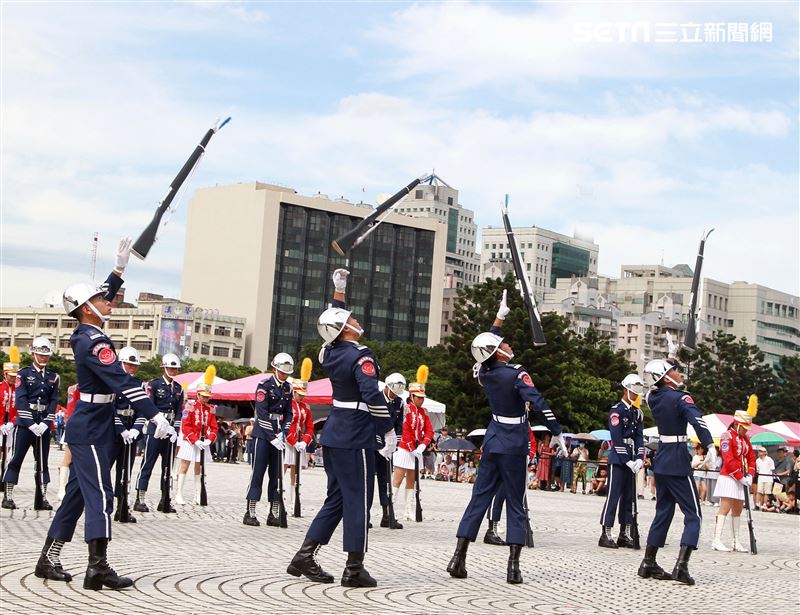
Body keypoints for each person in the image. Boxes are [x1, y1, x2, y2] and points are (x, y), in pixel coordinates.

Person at [36, 242, 175, 589]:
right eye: (101, 300)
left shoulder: (90, 330)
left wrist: (118, 271)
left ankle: (48, 558)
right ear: (87, 309)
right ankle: (97, 566)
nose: (109, 301)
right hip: (92, 423)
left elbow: (101, 298)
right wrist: (155, 415)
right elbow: (122, 381)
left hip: (96, 419)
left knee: (77, 495)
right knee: (101, 492)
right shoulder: (91, 342)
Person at [447, 290, 566, 585]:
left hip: (494, 438)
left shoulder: (485, 373)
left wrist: (499, 319)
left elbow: (484, 348)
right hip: (513, 441)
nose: (508, 345)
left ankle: (458, 558)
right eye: (504, 343)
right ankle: (513, 567)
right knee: (515, 501)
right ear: (499, 352)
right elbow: (538, 401)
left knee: (479, 499)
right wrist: (557, 430)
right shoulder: (516, 374)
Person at [287, 268, 396, 588]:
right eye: (352, 319)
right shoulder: (361, 354)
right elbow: (372, 394)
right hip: (356, 435)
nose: (357, 321)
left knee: (337, 498)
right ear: (346, 329)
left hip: (335, 432)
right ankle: (354, 568)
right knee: (360, 499)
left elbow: (329, 325)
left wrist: (338, 292)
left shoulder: (329, 352)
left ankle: (305, 556)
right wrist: (388, 429)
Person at [637, 359, 715, 586]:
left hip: (662, 459)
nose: (679, 373)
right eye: (674, 370)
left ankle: (648, 561)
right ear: (665, 376)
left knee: (663, 511)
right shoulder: (681, 398)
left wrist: (668, 361)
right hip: (678, 460)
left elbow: (659, 389)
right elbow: (697, 421)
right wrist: (710, 446)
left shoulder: (653, 398)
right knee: (694, 514)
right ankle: (682, 565)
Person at [2, 336, 59, 510]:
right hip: (26, 424)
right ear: (33, 354)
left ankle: (41, 497)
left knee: (42, 461)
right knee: (16, 458)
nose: (44, 358)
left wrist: (46, 422)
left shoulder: (53, 377)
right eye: (41, 355)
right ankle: (8, 495)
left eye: (47, 355)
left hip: (43, 423)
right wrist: (30, 423)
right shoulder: (23, 374)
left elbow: (53, 400)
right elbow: (21, 400)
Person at [243, 352, 293, 526]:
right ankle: (250, 511)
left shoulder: (288, 388)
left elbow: (289, 413)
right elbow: (262, 414)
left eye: (287, 371)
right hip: (263, 436)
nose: (285, 374)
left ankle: (274, 512)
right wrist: (272, 437)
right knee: (258, 473)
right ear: (275, 368)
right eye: (282, 370)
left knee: (277, 475)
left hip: (278, 433)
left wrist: (283, 433)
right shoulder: (264, 385)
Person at [599, 374, 645, 549]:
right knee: (613, 496)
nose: (636, 394)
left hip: (632, 458)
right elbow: (616, 438)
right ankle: (606, 532)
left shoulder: (636, 412)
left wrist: (639, 457)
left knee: (629, 498)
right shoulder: (616, 411)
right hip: (619, 460)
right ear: (626, 389)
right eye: (635, 390)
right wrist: (626, 460)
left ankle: (624, 533)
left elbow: (639, 437)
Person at [133, 354, 182, 514]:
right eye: (170, 368)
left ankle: (165, 499)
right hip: (156, 428)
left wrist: (175, 428)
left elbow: (179, 411)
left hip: (170, 430)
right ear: (164, 368)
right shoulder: (153, 385)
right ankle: (140, 498)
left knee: (168, 467)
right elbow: (148, 405)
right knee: (148, 463)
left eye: (175, 368)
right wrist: (157, 422)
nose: (173, 371)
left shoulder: (179, 388)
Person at [110, 346, 147, 522]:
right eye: (129, 364)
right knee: (104, 469)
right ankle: (104, 504)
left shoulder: (139, 384)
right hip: (112, 430)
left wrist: (135, 429)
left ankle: (122, 506)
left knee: (125, 471)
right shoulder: (112, 381)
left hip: (131, 429)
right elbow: (110, 408)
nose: (132, 368)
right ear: (121, 363)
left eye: (135, 365)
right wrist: (121, 429)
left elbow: (142, 408)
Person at [391, 370, 433, 522]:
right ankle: (390, 508)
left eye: (422, 398)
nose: (421, 401)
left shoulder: (424, 412)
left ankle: (408, 511)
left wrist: (423, 445)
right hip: (405, 448)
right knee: (397, 479)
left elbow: (429, 430)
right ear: (412, 396)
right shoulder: (406, 409)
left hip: (417, 450)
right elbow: (405, 428)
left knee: (412, 480)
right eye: (418, 398)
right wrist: (411, 446)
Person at [711, 411, 756, 552]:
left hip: (742, 477)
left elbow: (751, 458)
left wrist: (750, 475)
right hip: (729, 477)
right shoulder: (726, 436)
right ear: (737, 425)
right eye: (743, 427)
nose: (745, 430)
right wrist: (740, 476)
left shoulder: (745, 439)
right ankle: (716, 540)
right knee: (725, 508)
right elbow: (728, 460)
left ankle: (736, 541)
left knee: (738, 510)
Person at [174, 372, 218, 506]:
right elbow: (185, 426)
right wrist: (194, 439)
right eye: (203, 396)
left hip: (203, 442)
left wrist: (210, 439)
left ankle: (197, 495)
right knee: (184, 466)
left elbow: (214, 427)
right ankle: (179, 494)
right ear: (198, 395)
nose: (205, 399)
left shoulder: (210, 409)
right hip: (190, 441)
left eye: (207, 397)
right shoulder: (190, 406)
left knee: (199, 468)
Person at [372, 372, 404, 529]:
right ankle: (365, 515)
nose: (394, 395)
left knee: (385, 481)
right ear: (386, 387)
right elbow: (372, 423)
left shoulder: (399, 402)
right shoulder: (375, 399)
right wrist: (380, 444)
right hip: (373, 445)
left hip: (388, 445)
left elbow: (399, 425)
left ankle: (387, 515)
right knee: (368, 481)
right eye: (393, 391)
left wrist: (393, 444)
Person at [284, 366, 315, 515]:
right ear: (293, 392)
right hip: (286, 441)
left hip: (299, 441)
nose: (302, 397)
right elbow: (286, 424)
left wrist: (305, 441)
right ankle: (278, 497)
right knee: (282, 468)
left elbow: (309, 426)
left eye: (303, 394)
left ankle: (293, 500)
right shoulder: (287, 404)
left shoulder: (306, 407)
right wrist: (292, 441)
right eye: (299, 394)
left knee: (295, 472)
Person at [1, 349, 20, 498]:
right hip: (0, 424)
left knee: (7, 452)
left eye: (15, 377)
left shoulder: (18, 390)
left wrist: (12, 423)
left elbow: (18, 409)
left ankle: (3, 478)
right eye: (11, 376)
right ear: (5, 374)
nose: (13, 379)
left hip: (11, 425)